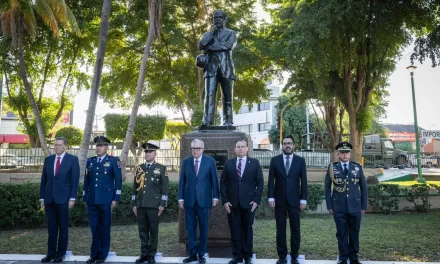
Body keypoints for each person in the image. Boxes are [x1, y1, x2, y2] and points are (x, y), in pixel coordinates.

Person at [220, 140, 264, 264]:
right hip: (232, 204)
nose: (240, 149)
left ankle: (247, 256)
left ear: (247, 149)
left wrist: (256, 201)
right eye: (238, 147)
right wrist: (225, 201)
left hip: (249, 204)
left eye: (242, 147)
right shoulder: (229, 163)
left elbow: (260, 183)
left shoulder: (254, 163)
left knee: (247, 230)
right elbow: (222, 183)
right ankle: (237, 256)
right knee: (235, 230)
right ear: (235, 149)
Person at [324, 142, 368, 264]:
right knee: (341, 234)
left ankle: (354, 257)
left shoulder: (357, 167)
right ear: (338, 154)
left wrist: (364, 205)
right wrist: (329, 205)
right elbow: (327, 188)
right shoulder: (332, 167)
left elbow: (363, 188)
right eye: (342, 152)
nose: (345, 155)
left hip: (355, 206)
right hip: (338, 206)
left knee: (354, 233)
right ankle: (343, 258)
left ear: (350, 154)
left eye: (347, 152)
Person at [178, 139, 220, 264]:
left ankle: (201, 254)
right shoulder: (186, 162)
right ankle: (192, 253)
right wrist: (180, 198)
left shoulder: (210, 161)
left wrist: (215, 197)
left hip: (204, 201)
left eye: (197, 148)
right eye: (193, 148)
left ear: (202, 149)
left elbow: (214, 180)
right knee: (190, 229)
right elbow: (182, 181)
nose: (195, 151)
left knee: (203, 228)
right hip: (189, 201)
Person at [267, 135, 308, 264]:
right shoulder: (275, 160)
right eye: (285, 143)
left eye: (290, 143)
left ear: (294, 145)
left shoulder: (300, 161)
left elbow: (304, 182)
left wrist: (303, 199)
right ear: (282, 146)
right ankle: (282, 256)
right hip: (279, 201)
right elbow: (271, 181)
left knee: (295, 229)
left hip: (295, 202)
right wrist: (271, 197)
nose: (287, 145)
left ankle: (294, 256)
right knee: (280, 229)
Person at [40, 137, 80, 263]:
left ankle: (60, 254)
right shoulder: (48, 160)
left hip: (64, 199)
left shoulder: (73, 160)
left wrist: (72, 198)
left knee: (63, 228)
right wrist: (42, 198)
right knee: (51, 228)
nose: (57, 147)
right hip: (49, 199)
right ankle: (51, 253)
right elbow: (43, 181)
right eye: (55, 145)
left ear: (65, 146)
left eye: (60, 145)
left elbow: (75, 181)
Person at [83, 136, 122, 264]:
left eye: (101, 146)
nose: (98, 148)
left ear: (106, 148)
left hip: (106, 200)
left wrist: (116, 198)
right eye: (97, 145)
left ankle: (102, 255)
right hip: (92, 200)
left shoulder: (113, 161)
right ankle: (93, 254)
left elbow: (118, 181)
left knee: (104, 228)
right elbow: (87, 181)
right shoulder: (90, 161)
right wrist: (85, 197)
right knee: (94, 229)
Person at [197, 10, 237, 126]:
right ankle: (207, 121)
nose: (218, 19)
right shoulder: (208, 34)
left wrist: (210, 48)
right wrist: (211, 34)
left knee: (228, 97)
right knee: (209, 96)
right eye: (215, 17)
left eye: (220, 17)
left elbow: (228, 46)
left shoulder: (231, 33)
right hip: (211, 68)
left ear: (225, 20)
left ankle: (228, 121)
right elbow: (201, 45)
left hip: (226, 68)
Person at [132, 143, 169, 264]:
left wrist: (162, 204)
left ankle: (151, 254)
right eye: (146, 152)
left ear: (155, 154)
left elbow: (165, 188)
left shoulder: (162, 168)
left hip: (154, 205)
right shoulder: (139, 168)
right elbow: (135, 188)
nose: (147, 154)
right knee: (142, 230)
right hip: (141, 204)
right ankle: (143, 254)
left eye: (150, 152)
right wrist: (134, 203)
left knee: (153, 230)